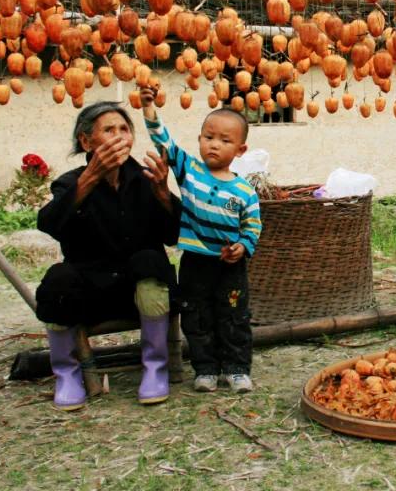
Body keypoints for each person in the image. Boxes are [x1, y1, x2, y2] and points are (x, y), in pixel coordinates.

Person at [36, 101, 181, 409]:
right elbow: (49, 223)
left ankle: (155, 368)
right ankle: (67, 374)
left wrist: (163, 193)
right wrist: (90, 177)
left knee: (150, 261)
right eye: (109, 130)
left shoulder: (145, 178)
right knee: (57, 280)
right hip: (90, 293)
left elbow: (173, 235)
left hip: (139, 292)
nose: (119, 137)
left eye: (124, 129)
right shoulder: (68, 183)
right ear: (87, 142)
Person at [139, 86, 262, 393]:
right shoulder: (189, 171)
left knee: (234, 316)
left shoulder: (245, 191)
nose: (214, 145)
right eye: (208, 137)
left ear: (240, 150)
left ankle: (236, 368)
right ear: (199, 140)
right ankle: (205, 368)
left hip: (228, 266)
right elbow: (163, 141)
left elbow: (253, 227)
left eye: (224, 140)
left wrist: (242, 247)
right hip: (194, 263)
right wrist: (149, 109)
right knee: (197, 317)